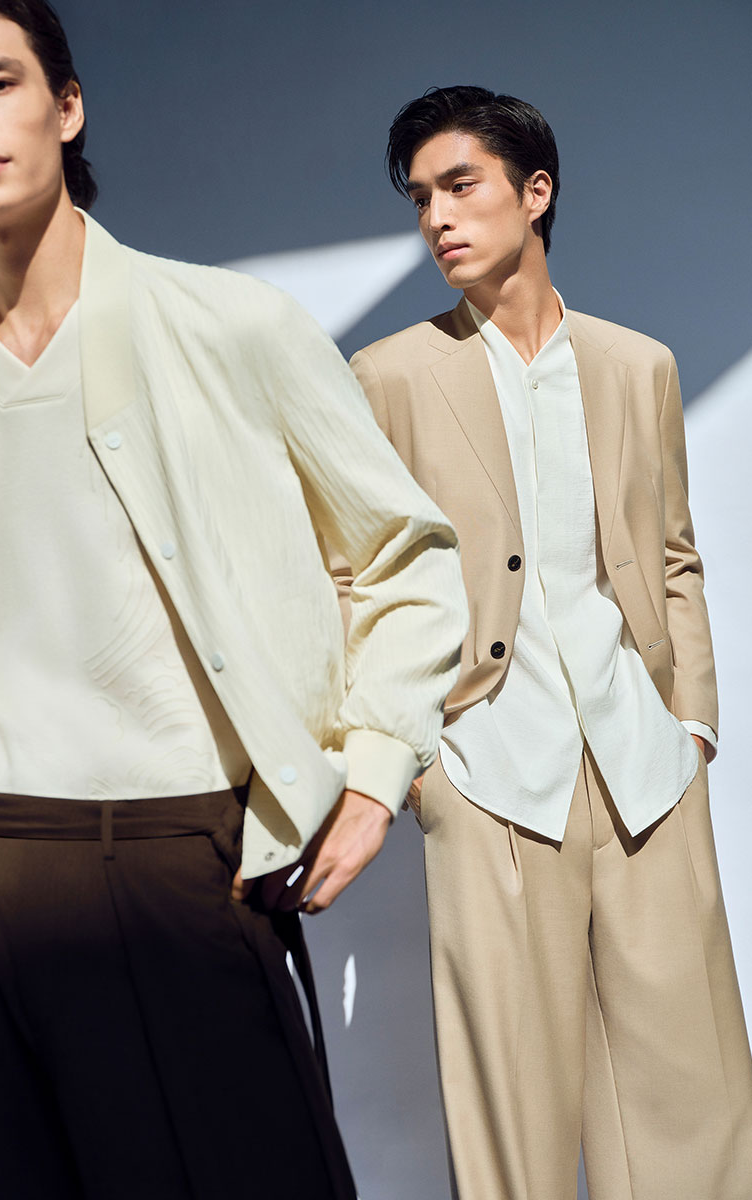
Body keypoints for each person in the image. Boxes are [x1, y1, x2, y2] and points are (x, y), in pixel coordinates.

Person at [0, 5, 467, 1197]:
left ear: (66, 106)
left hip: (188, 864)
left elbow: (404, 553)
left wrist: (376, 772)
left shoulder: (235, 328)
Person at [343, 85, 752, 1199]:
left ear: (536, 192)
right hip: (487, 771)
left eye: (459, 186)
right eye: (419, 198)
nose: (436, 218)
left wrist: (694, 726)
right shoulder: (389, 377)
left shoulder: (638, 365)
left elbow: (673, 555)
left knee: (690, 1100)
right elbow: (352, 579)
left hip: (643, 764)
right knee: (511, 1107)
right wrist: (416, 764)